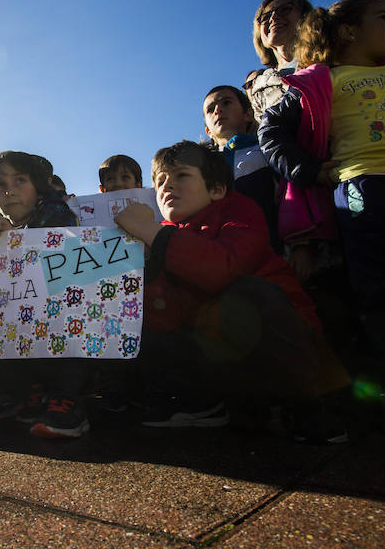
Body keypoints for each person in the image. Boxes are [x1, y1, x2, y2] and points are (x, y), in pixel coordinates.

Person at [259, 0, 385, 435]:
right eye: (384, 18)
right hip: (367, 191)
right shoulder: (321, 80)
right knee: (384, 295)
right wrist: (310, 171)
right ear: (349, 32)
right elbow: (272, 130)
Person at [114, 142, 347, 443]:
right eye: (159, 180)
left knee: (249, 292)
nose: (166, 185)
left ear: (217, 189)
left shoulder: (238, 210)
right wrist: (147, 265)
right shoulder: (164, 234)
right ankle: (202, 404)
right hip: (225, 357)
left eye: (181, 175)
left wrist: (155, 234)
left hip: (286, 350)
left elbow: (221, 270)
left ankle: (310, 404)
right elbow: (166, 317)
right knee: (135, 311)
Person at [0, 151, 87, 438]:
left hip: (64, 316)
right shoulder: (15, 223)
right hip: (31, 316)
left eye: (20, 180)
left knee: (58, 335)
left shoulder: (55, 212)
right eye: (0, 185)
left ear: (39, 186)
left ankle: (68, 402)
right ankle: (37, 391)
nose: (9, 190)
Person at [203, 85, 281, 254]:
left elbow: (287, 196)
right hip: (220, 258)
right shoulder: (201, 169)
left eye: (226, 103)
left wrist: (300, 244)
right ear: (208, 131)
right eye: (210, 109)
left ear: (248, 114)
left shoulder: (266, 149)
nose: (218, 110)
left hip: (272, 250)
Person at [250, 0, 313, 120]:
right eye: (265, 17)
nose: (273, 17)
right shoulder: (260, 90)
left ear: (305, 17)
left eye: (284, 10)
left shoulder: (330, 61)